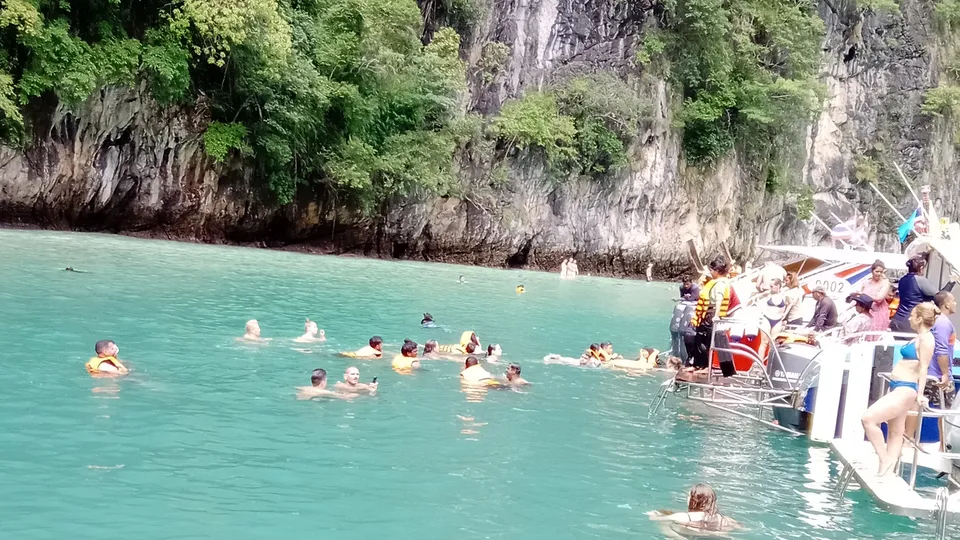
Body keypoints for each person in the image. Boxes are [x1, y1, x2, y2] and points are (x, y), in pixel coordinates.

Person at [862, 303, 937, 476]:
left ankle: (884, 459)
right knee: (896, 432)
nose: (909, 318)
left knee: (868, 419)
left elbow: (924, 367)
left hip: (906, 388)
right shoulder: (918, 337)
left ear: (919, 318)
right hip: (898, 386)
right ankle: (885, 473)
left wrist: (920, 395)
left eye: (912, 315)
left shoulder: (927, 339)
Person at [690, 257, 741, 369]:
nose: (711, 272)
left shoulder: (720, 284)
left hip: (711, 316)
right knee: (703, 341)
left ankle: (704, 367)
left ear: (717, 271)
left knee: (704, 342)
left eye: (712, 270)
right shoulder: (717, 282)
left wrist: (716, 315)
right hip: (708, 316)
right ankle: (701, 366)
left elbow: (719, 299)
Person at [648, 484, 740, 532]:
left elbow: (654, 519)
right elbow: (743, 528)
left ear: (694, 500)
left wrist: (654, 514)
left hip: (690, 535)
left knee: (664, 524)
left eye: (689, 496)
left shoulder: (682, 517)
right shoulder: (724, 520)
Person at [890, 255, 937, 333]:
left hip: (897, 320)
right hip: (911, 322)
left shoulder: (902, 280)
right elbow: (941, 298)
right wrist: (951, 282)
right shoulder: (920, 280)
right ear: (921, 268)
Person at [928, 291, 957, 411]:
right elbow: (942, 350)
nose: (955, 303)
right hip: (938, 376)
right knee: (947, 412)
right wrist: (945, 374)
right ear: (946, 305)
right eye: (953, 301)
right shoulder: (943, 323)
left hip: (932, 373)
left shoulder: (936, 321)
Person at [859, 260, 892, 332]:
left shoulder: (885, 282)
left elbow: (879, 298)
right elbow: (861, 297)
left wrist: (863, 295)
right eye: (877, 271)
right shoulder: (866, 282)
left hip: (879, 313)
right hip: (866, 311)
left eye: (881, 272)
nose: (879, 274)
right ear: (872, 271)